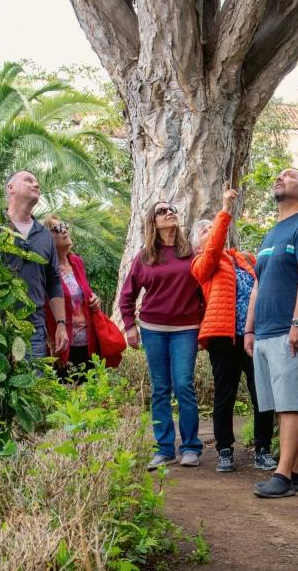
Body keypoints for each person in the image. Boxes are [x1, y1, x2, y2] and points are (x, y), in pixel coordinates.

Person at [245, 166, 298, 498]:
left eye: (289, 176)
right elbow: (258, 285)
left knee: (291, 404)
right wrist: (249, 329)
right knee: (282, 405)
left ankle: (281, 475)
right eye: (278, 176)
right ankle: (296, 472)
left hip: (289, 330)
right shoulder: (271, 234)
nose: (279, 178)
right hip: (264, 333)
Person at [118, 200, 207, 469]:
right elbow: (127, 295)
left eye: (172, 210)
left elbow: (205, 292)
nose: (169, 213)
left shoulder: (191, 252)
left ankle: (190, 447)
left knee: (184, 385)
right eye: (162, 211)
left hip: (186, 330)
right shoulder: (145, 256)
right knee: (160, 389)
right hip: (153, 329)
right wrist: (129, 325)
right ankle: (164, 449)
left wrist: (205, 327)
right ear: (152, 222)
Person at [192, 190, 274, 474]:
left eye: (212, 227)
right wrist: (225, 210)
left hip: (253, 335)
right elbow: (214, 248)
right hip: (222, 338)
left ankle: (263, 449)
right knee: (225, 394)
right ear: (197, 245)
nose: (211, 231)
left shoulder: (244, 258)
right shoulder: (202, 263)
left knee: (261, 393)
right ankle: (224, 449)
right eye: (204, 230)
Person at [0, 170, 69, 365]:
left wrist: (61, 324)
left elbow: (53, 282)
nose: (36, 185)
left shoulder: (45, 236)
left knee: (32, 383)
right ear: (10, 188)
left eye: (37, 182)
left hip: (33, 331)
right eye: (28, 180)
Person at [43, 217, 98, 377]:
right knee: (64, 388)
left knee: (90, 389)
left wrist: (95, 299)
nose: (64, 230)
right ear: (46, 239)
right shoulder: (45, 268)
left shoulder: (76, 262)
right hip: (62, 346)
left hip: (87, 342)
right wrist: (49, 340)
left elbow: (83, 294)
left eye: (64, 226)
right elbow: (40, 307)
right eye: (57, 229)